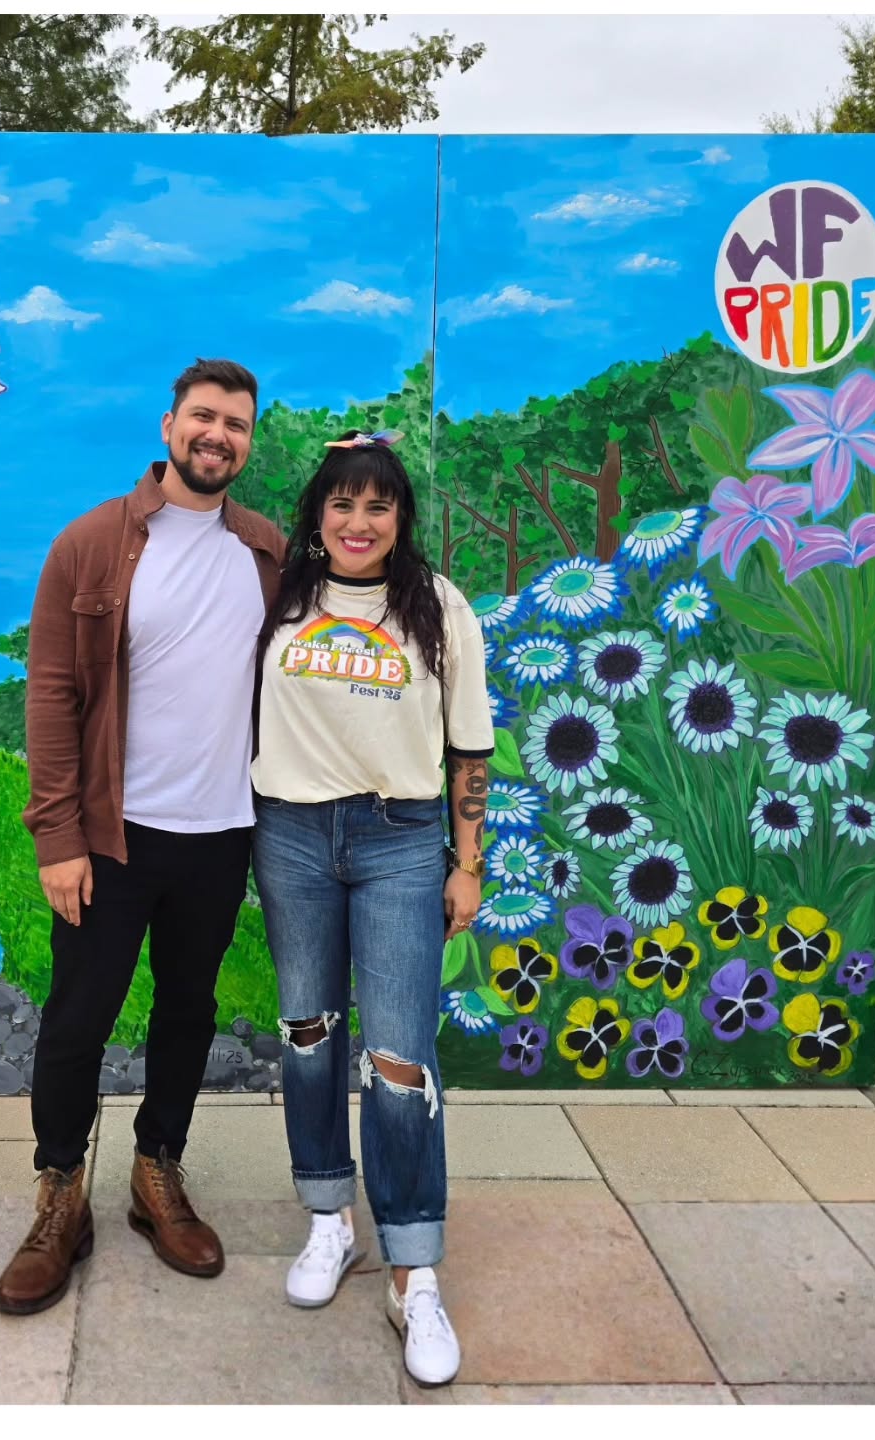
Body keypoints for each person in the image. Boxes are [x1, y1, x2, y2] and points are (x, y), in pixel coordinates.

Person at [0, 358, 286, 1317]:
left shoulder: (267, 553)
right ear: (168, 426)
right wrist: (57, 838)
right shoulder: (93, 544)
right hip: (111, 839)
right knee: (77, 1020)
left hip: (220, 835)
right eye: (203, 417)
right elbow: (50, 694)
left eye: (236, 424)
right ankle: (58, 1198)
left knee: (186, 1013)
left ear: (249, 440)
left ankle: (155, 1173)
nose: (218, 436)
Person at [249, 429, 492, 1386]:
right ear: (317, 513)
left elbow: (468, 748)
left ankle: (412, 1265)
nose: (357, 522)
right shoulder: (281, 599)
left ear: (400, 519)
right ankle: (327, 1218)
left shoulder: (436, 607)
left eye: (377, 506)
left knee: (397, 1059)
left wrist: (466, 863)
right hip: (292, 835)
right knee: (307, 1032)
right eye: (341, 504)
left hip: (399, 839)